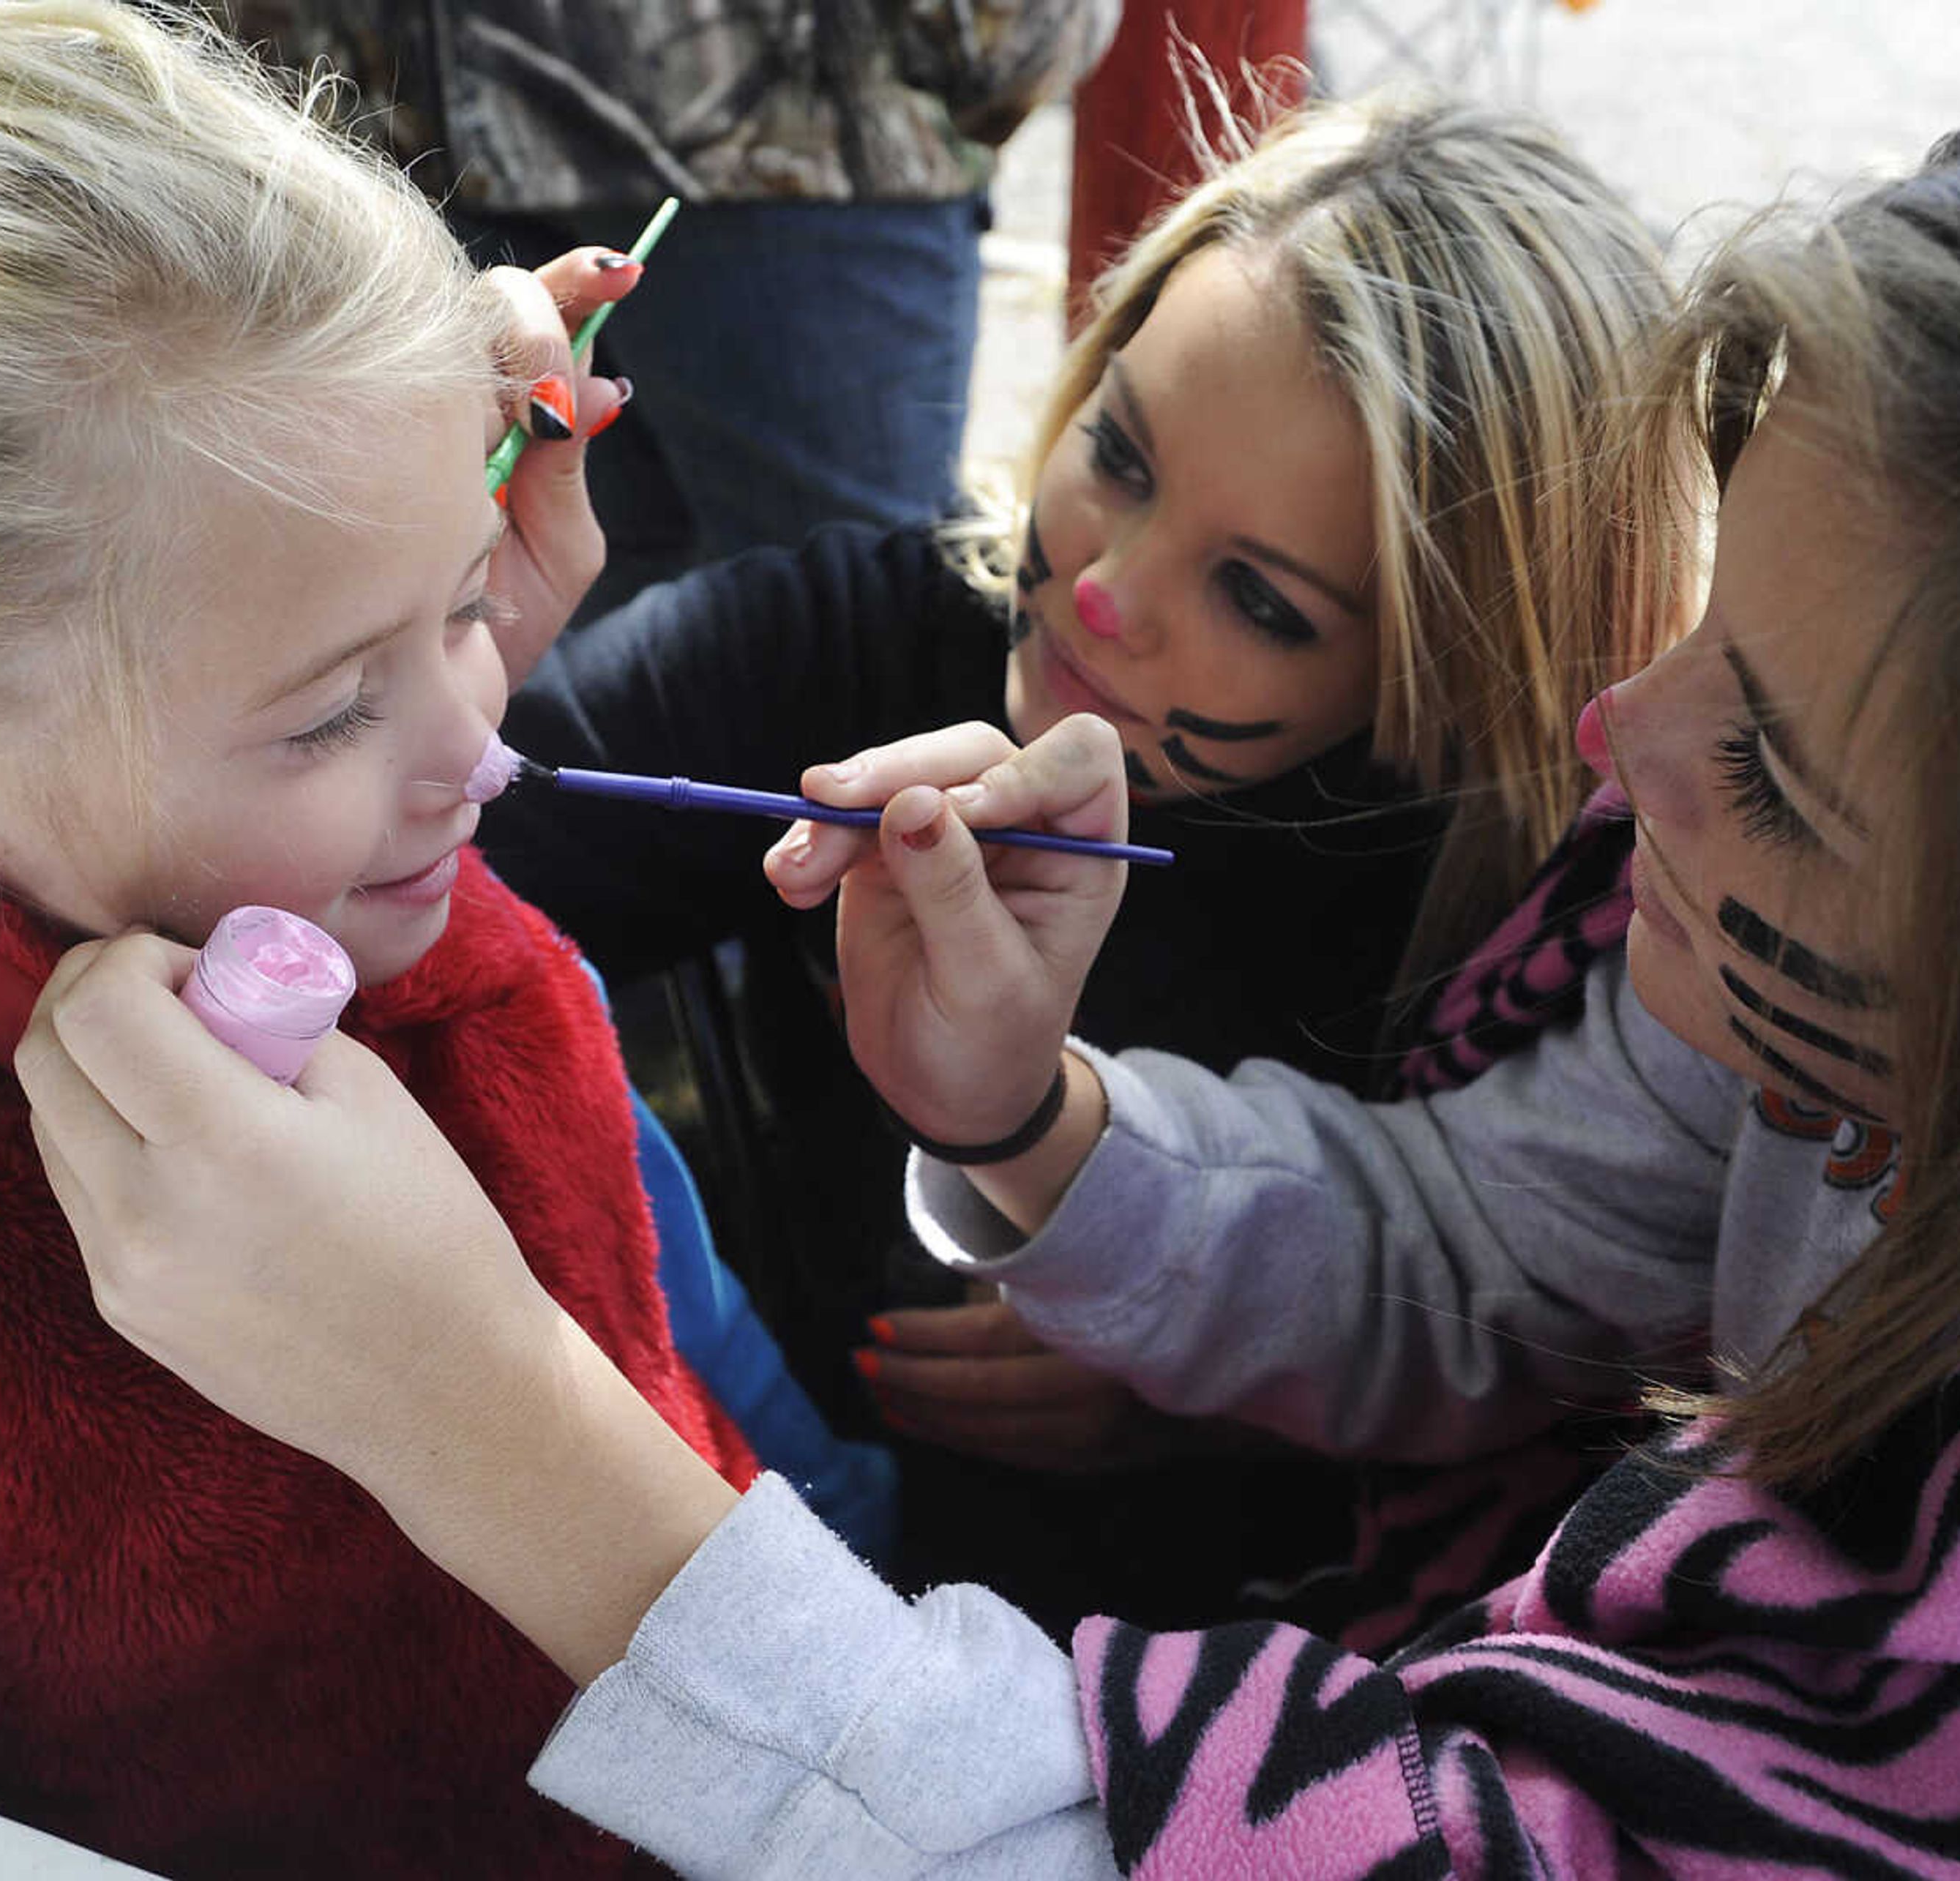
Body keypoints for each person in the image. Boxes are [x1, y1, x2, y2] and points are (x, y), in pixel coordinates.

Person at [23, 9, 1960, 1871]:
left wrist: (469, 1407)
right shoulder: (1826, 1028)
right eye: (1115, 452)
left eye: (1780, 760)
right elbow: (1478, 1233)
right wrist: (1040, 1122)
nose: (1613, 742)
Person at [0, 3, 866, 1872]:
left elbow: (734, 1421)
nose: (486, 746)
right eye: (325, 710)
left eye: (465, 601)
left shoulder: (486, 970)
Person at [472, 86, 1683, 1622]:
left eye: (1262, 598)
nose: (1107, 589)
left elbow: (1539, 1401)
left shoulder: (1513, 936)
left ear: (1451, 660)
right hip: (763, 1540)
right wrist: (444, 598)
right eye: (1120, 452)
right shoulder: (884, 638)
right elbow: (465, 843)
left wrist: (1222, 1399)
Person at [219, 0, 1118, 612]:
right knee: (468, 617)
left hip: (787, 130)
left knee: (848, 641)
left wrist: (996, 36)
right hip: (357, 115)